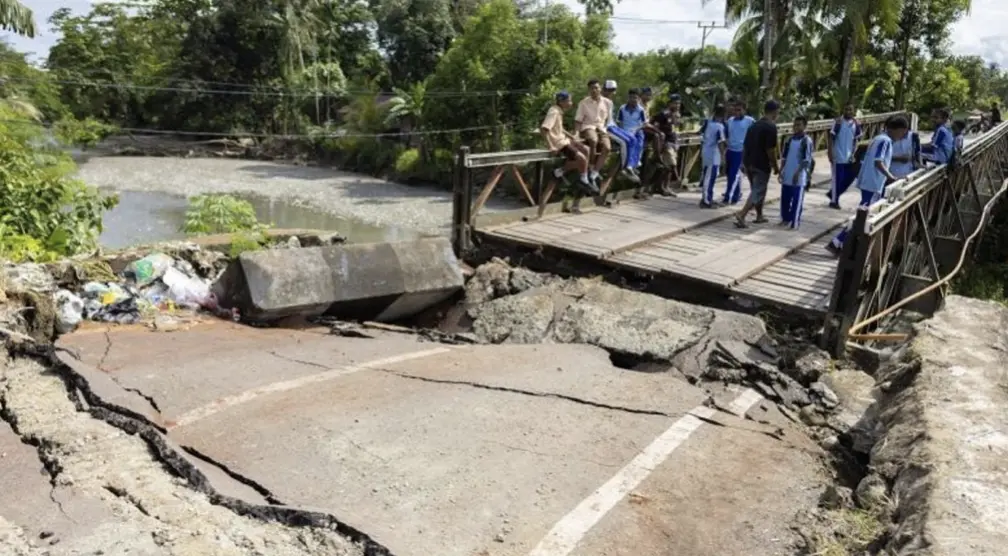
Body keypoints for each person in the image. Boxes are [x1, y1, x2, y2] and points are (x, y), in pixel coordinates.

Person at [826, 116, 909, 256]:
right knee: (863, 215)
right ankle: (837, 242)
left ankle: (841, 243)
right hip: (873, 183)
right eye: (903, 133)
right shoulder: (886, 141)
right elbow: (878, 161)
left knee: (864, 214)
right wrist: (891, 177)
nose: (903, 136)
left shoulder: (878, 138)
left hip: (868, 182)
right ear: (899, 130)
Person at [734, 100, 781, 228]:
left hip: (749, 162)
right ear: (775, 112)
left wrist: (744, 163)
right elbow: (770, 150)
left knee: (757, 190)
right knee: (757, 191)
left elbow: (745, 145)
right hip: (761, 164)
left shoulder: (754, 125)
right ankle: (742, 214)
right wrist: (776, 167)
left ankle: (759, 215)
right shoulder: (771, 127)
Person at [540, 90, 595, 195]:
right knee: (582, 159)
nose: (571, 103)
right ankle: (584, 180)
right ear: (561, 102)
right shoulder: (554, 112)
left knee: (587, 150)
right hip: (559, 143)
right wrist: (551, 146)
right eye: (569, 101)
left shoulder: (559, 111)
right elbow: (544, 129)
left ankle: (560, 171)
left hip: (565, 139)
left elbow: (560, 128)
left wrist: (573, 137)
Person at [598, 80, 641, 183]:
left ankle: (631, 166)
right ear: (605, 90)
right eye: (610, 90)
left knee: (633, 139)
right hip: (606, 128)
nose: (612, 92)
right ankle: (624, 168)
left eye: (613, 90)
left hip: (613, 125)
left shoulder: (610, 102)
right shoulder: (600, 101)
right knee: (624, 142)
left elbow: (611, 118)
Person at [574, 79, 612, 187]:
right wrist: (576, 133)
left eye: (596, 87)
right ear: (589, 90)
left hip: (601, 128)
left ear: (600, 88)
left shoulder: (608, 103)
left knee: (607, 147)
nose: (594, 90)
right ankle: (590, 167)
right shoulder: (583, 103)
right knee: (593, 140)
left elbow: (609, 120)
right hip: (588, 126)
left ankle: (595, 172)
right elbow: (578, 120)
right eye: (592, 88)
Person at [778, 115, 814, 230]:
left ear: (804, 126)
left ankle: (795, 222)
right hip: (788, 172)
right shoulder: (789, 139)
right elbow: (784, 157)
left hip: (799, 175)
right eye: (795, 124)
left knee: (797, 199)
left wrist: (798, 173)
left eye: (799, 125)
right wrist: (781, 171)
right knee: (785, 198)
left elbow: (806, 160)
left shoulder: (806, 140)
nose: (796, 127)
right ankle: (785, 218)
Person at [826, 103, 863, 209]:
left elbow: (856, 139)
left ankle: (832, 193)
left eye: (850, 110)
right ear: (843, 110)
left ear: (854, 111)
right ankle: (834, 201)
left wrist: (854, 153)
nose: (848, 112)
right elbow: (831, 137)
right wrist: (830, 153)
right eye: (846, 109)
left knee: (847, 179)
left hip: (849, 157)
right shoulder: (838, 122)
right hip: (837, 156)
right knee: (837, 179)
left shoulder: (856, 124)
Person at [723, 99, 755, 205]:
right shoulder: (730, 121)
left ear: (744, 110)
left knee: (734, 174)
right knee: (729, 174)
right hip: (730, 150)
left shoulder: (750, 121)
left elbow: (755, 135)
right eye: (736, 110)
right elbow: (726, 134)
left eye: (739, 110)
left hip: (741, 150)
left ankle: (729, 197)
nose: (737, 112)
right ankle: (736, 193)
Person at [649, 93, 681, 195]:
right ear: (669, 103)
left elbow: (675, 129)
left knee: (668, 167)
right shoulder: (663, 114)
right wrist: (658, 137)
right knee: (671, 165)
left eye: (678, 104)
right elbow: (653, 124)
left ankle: (664, 187)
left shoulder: (677, 115)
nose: (677, 106)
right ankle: (662, 187)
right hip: (666, 143)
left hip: (674, 142)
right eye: (675, 103)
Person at [699, 104, 727, 208]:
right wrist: (723, 157)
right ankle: (706, 201)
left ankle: (708, 197)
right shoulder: (719, 126)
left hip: (705, 152)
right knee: (709, 178)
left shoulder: (707, 122)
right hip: (714, 155)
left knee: (707, 176)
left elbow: (701, 133)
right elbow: (720, 142)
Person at [615, 88, 648, 174]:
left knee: (639, 142)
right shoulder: (622, 108)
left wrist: (636, 129)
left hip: (637, 130)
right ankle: (629, 165)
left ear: (638, 99)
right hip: (625, 131)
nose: (633, 100)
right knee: (629, 143)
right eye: (631, 97)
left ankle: (634, 163)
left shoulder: (641, 110)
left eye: (635, 98)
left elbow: (644, 123)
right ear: (628, 98)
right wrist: (622, 131)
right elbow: (619, 122)